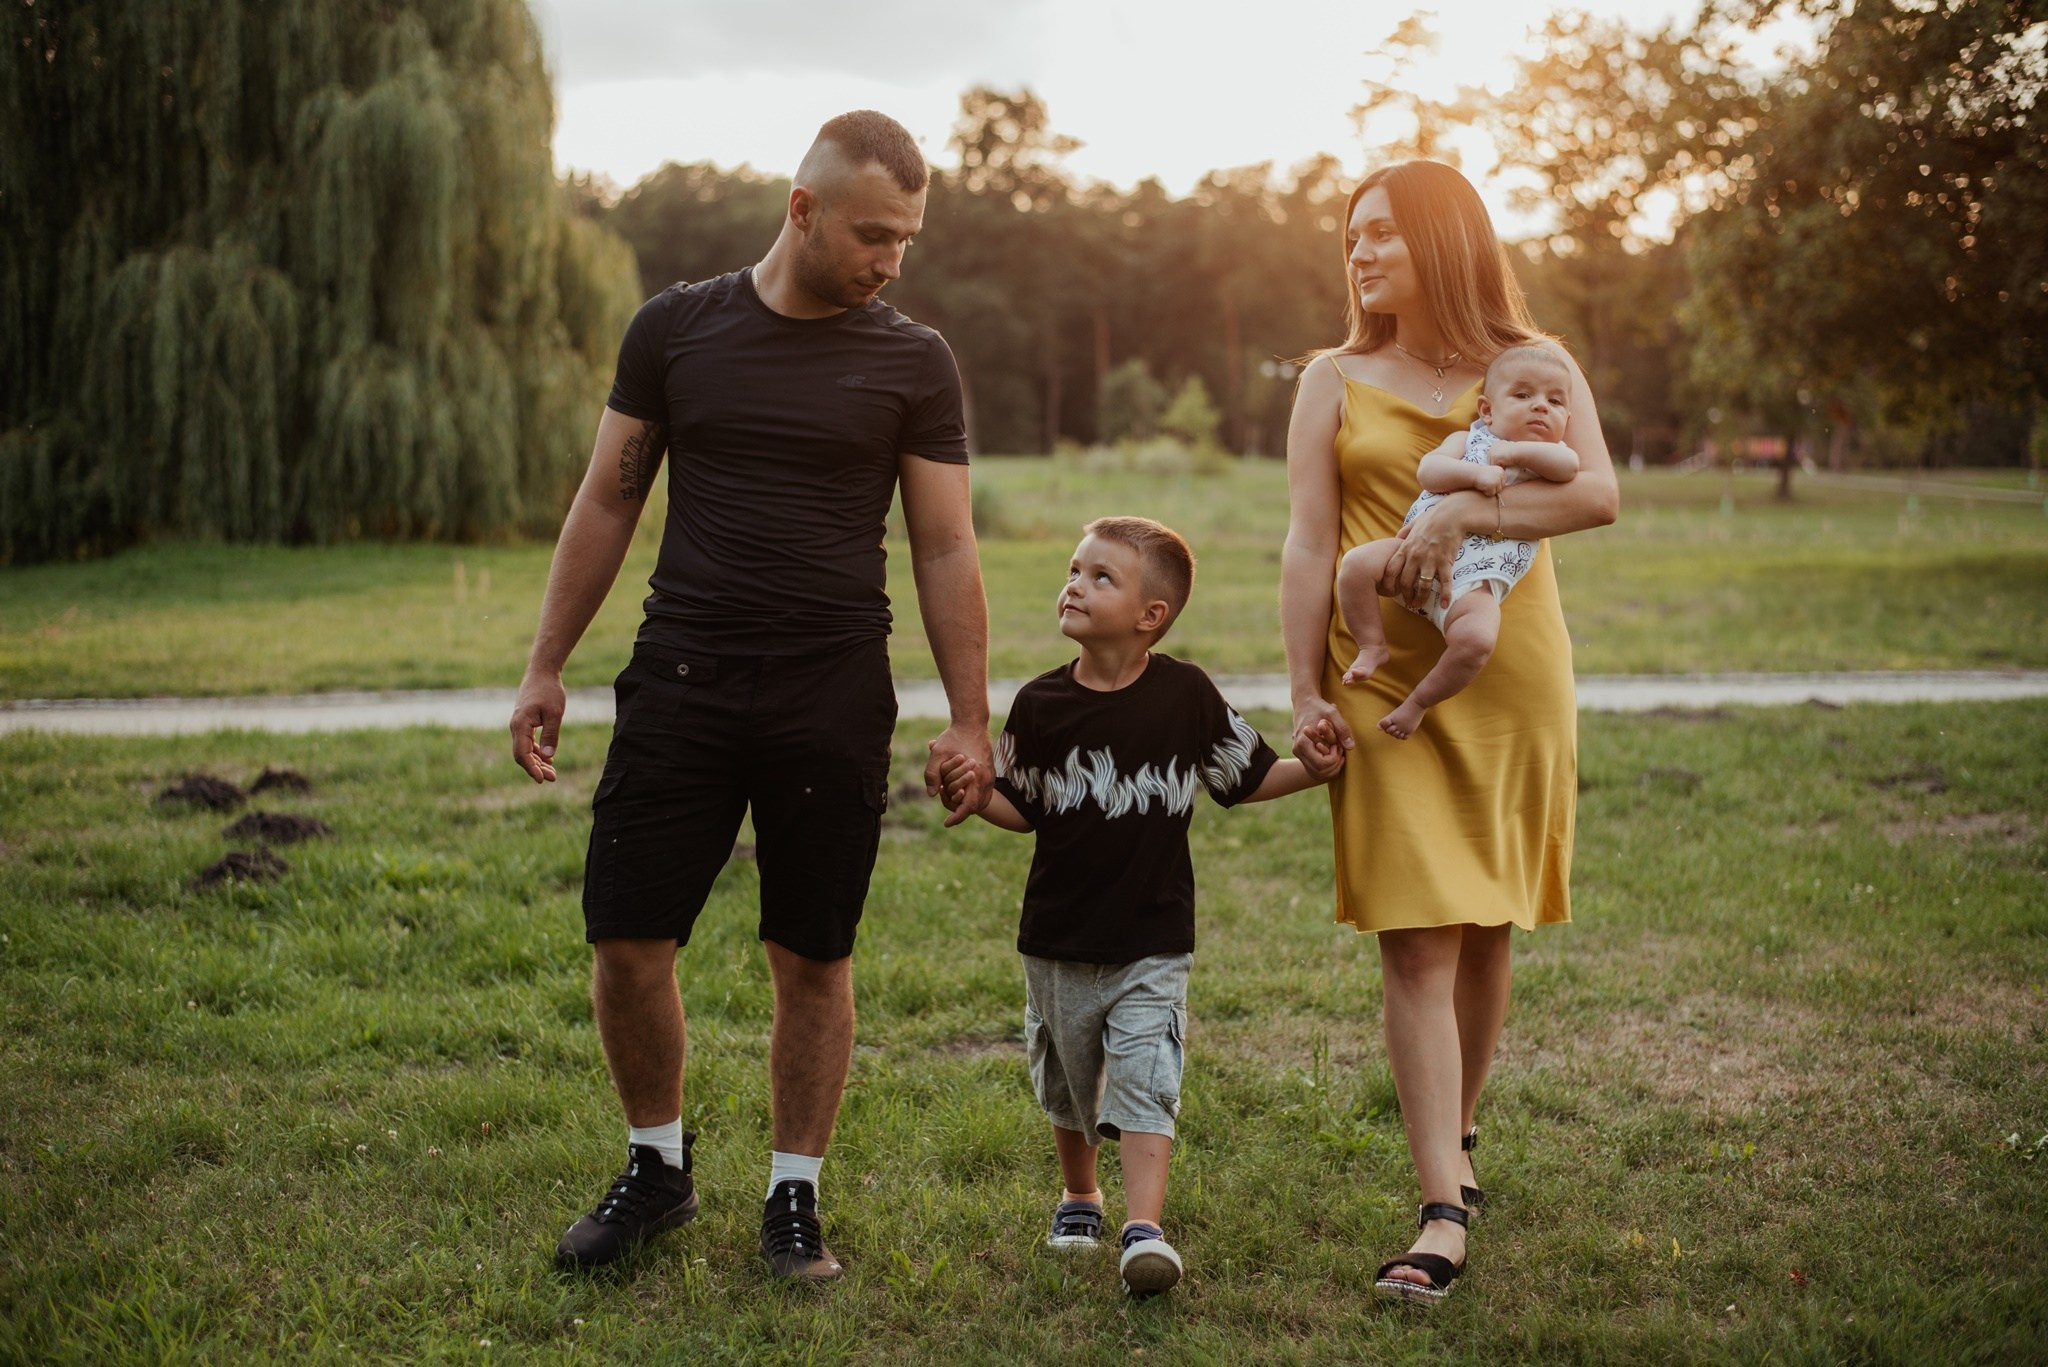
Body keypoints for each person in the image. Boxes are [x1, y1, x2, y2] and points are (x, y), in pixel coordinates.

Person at [507, 110, 995, 1282]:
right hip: (682, 675)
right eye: (874, 234)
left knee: (810, 952)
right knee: (627, 934)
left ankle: (793, 1194)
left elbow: (943, 544)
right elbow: (608, 497)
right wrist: (545, 661)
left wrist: (971, 715)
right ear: (802, 210)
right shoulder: (676, 330)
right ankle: (656, 1167)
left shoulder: (913, 359)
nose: (892, 260)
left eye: (908, 238)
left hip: (832, 687)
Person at [1279, 161, 1618, 1305]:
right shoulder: (1330, 378)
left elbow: (1593, 496)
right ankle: (1438, 1206)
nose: (1359, 253)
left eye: (1381, 232)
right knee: (1414, 936)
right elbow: (1307, 540)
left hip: (1506, 668)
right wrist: (1302, 686)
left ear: (1442, 239)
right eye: (1350, 236)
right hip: (1380, 674)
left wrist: (1468, 508)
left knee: (1481, 924)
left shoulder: (1534, 362)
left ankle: (1456, 1137)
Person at [939, 516, 1343, 1297]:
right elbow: (1024, 806)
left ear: (1150, 615)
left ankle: (1143, 1229)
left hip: (1154, 936)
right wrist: (975, 791)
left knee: (1146, 1073)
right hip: (1056, 935)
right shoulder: (1039, 703)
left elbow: (1244, 778)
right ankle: (1080, 1195)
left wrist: (1313, 770)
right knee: (1069, 1078)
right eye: (1074, 569)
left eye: (1101, 576)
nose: (1074, 585)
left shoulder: (1186, 695)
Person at [1335, 344, 1581, 739]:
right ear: (1487, 410)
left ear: (1566, 420)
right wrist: (1474, 476)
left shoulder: (1551, 457)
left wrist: (1517, 451)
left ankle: (1417, 703)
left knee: (1478, 640)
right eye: (1523, 395)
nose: (1540, 406)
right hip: (1409, 555)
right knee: (1355, 566)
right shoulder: (1468, 441)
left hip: (1472, 584)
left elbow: (1570, 468)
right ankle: (1372, 644)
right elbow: (1429, 471)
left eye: (1555, 402)